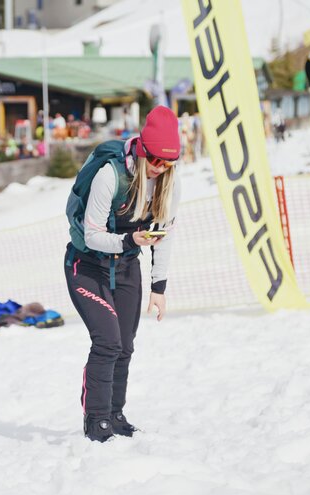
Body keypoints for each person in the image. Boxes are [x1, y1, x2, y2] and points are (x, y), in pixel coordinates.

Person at [64, 105, 182, 442]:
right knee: (108, 342)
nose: (162, 168)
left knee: (126, 346)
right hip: (86, 265)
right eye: (157, 161)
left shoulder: (169, 182)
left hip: (127, 266)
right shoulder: (110, 176)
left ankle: (115, 413)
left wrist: (159, 286)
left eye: (169, 163)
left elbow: (165, 234)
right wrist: (130, 238)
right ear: (144, 152)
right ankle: (96, 419)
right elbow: (92, 235)